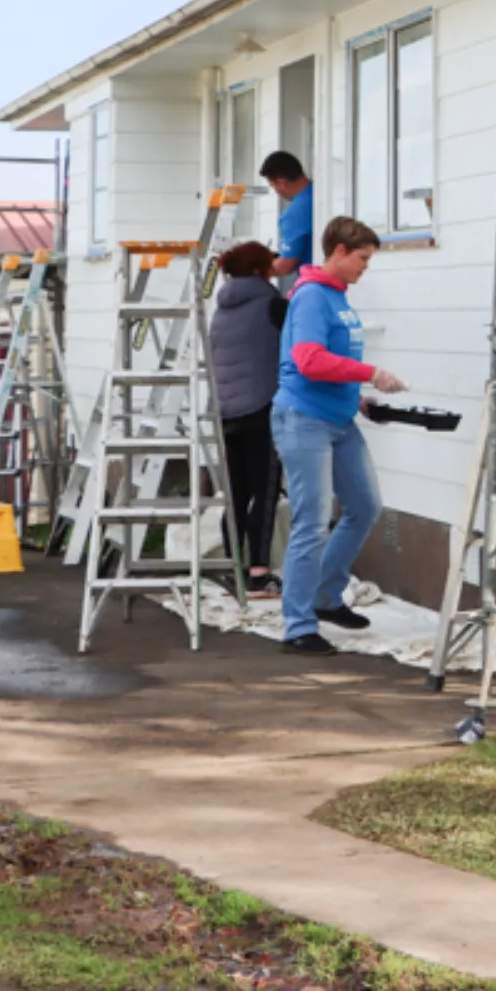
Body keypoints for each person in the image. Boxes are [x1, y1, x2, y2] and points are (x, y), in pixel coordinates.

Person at [271, 215, 406, 656]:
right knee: (311, 521)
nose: (366, 267)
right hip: (303, 419)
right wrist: (371, 373)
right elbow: (309, 359)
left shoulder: (337, 297)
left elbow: (331, 361)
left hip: (339, 418)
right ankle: (297, 625)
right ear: (340, 252)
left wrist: (358, 397)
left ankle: (326, 598)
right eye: (362, 259)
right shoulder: (312, 297)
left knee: (365, 506)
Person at [209, 241, 287, 599]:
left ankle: (232, 569)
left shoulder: (221, 309)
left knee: (235, 495)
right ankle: (259, 574)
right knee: (265, 492)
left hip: (226, 411)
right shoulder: (273, 304)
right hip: (261, 409)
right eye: (271, 261)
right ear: (259, 269)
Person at [260, 151, 313, 279]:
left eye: (273, 186)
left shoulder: (295, 213)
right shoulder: (322, 197)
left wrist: (254, 272)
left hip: (313, 283)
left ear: (282, 183)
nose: (277, 192)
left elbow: (286, 266)